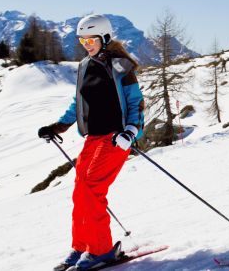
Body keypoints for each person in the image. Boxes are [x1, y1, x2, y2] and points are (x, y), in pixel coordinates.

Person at [38, 14, 145, 271]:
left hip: (115, 138)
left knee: (92, 189)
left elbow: (136, 102)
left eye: (91, 39)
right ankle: (82, 245)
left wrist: (131, 131)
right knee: (80, 190)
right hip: (93, 137)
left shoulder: (121, 66)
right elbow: (79, 102)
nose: (86, 44)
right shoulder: (85, 65)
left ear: (105, 38)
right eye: (82, 39)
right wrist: (59, 125)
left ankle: (102, 250)